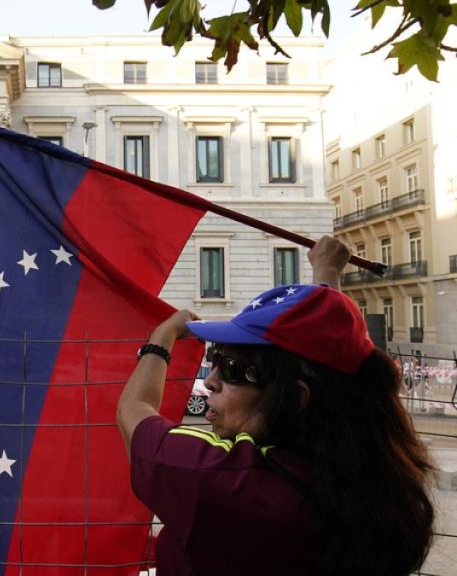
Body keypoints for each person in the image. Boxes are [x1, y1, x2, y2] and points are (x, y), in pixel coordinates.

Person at [118, 236, 434, 576]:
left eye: (234, 369)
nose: (211, 380)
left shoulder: (226, 481)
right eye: (216, 358)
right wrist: (326, 277)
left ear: (295, 399)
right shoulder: (386, 480)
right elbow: (328, 356)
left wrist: (161, 339)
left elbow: (134, 410)